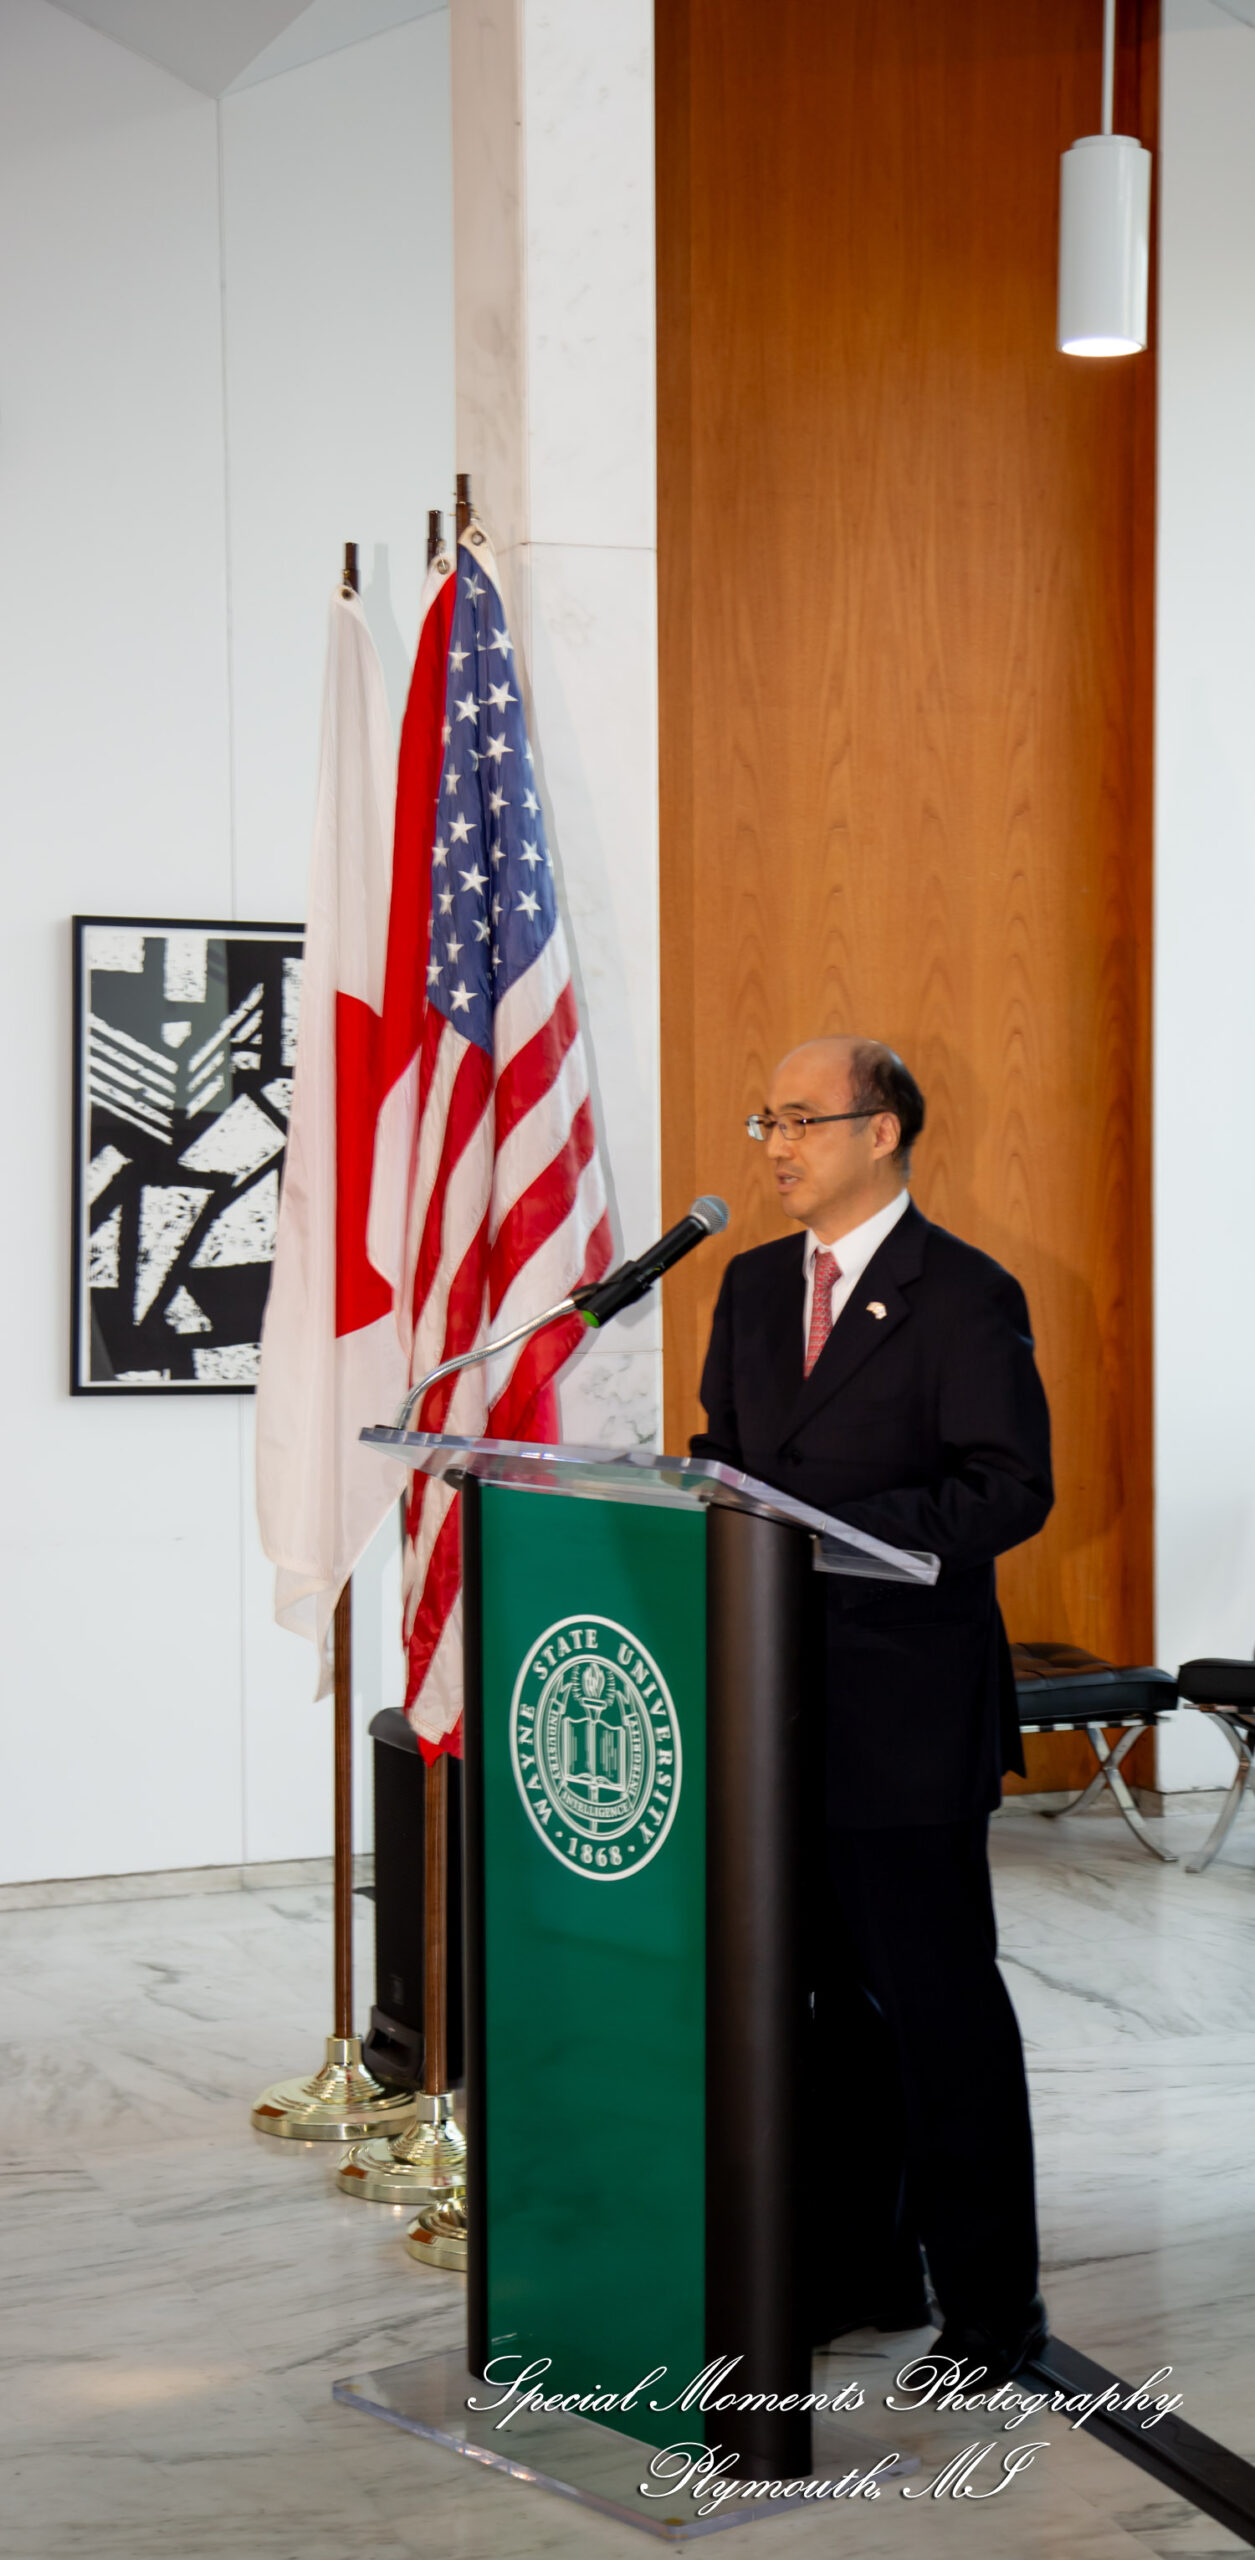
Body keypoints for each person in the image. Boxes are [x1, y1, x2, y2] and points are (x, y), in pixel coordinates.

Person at [691, 1034, 1053, 2383]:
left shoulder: (963, 1294)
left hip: (904, 1716)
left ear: (882, 1129)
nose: (775, 1146)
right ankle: (861, 2270)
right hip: (776, 1707)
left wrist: (822, 1526)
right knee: (823, 2010)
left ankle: (991, 2315)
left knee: (939, 2010)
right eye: (765, 1119)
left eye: (801, 1120)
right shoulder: (744, 1288)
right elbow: (731, 1462)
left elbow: (1008, 1489)